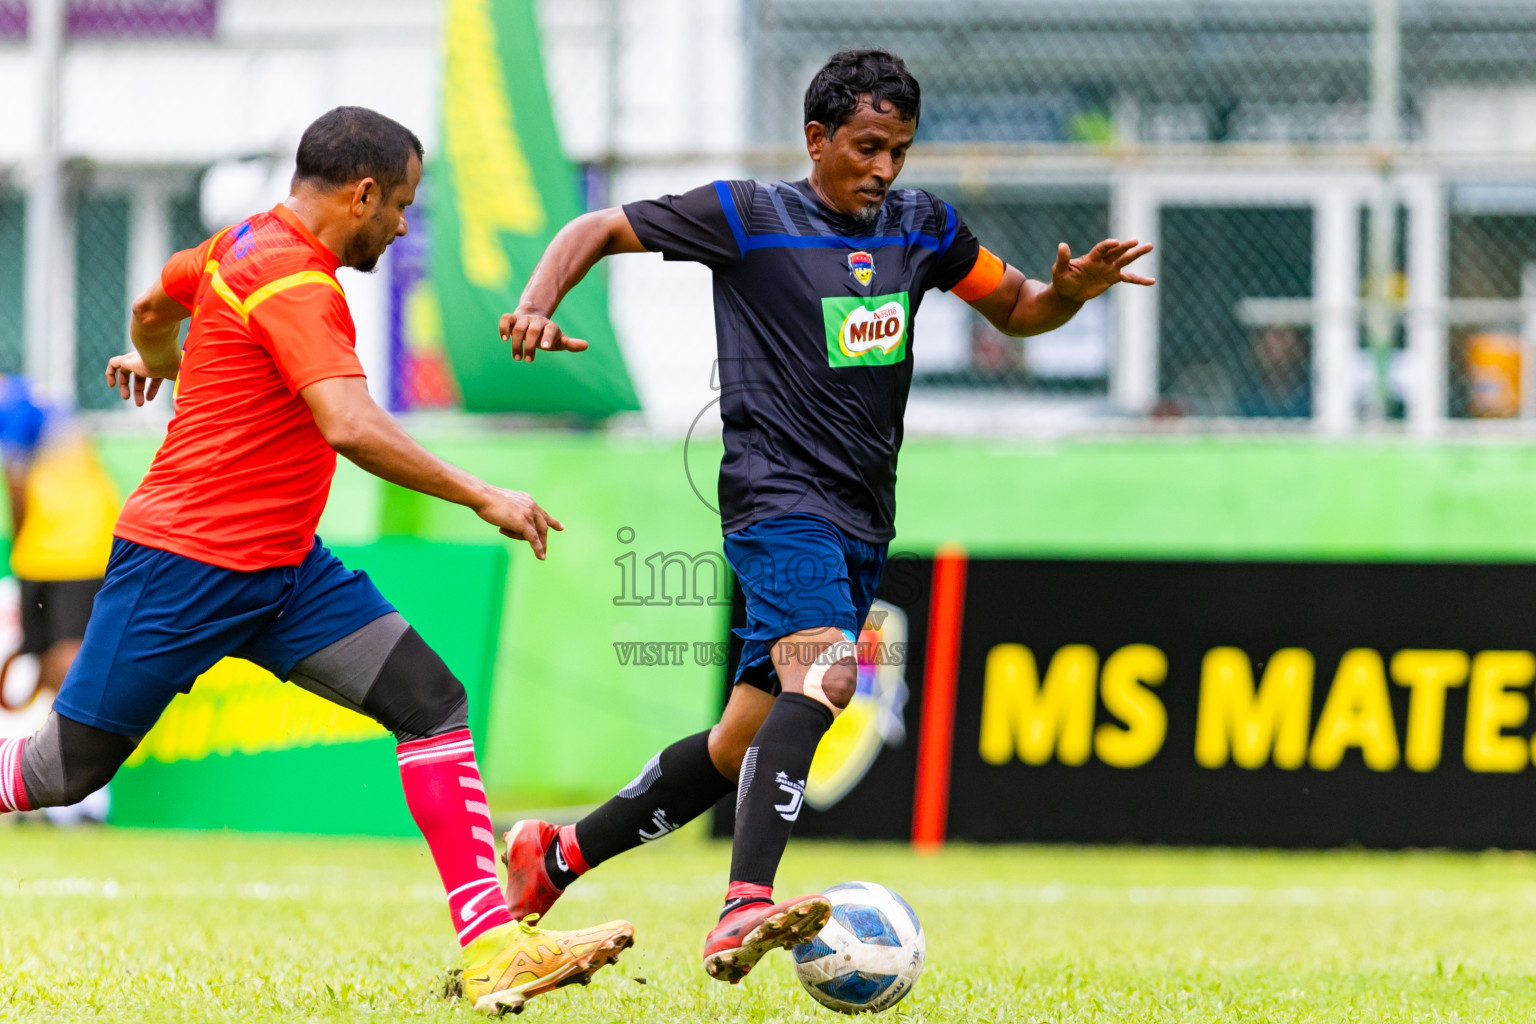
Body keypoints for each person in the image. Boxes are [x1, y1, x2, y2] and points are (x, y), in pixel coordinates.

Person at [492, 49, 1154, 983]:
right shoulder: (747, 217)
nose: (885, 170)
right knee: (829, 670)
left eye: (901, 150)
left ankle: (553, 858)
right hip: (774, 498)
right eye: (869, 146)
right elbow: (598, 226)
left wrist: (1069, 297)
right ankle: (743, 904)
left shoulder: (923, 226)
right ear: (818, 138)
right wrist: (534, 299)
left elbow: (1014, 305)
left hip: (859, 517)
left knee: (736, 743)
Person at [0, 106, 633, 1016]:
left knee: (431, 702)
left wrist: (161, 360)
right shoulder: (293, 280)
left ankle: (495, 948)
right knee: (64, 771)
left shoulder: (236, 244)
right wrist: (483, 494)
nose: (405, 225)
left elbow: (150, 306)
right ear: (363, 193)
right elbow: (350, 424)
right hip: (182, 566)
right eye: (404, 205)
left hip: (285, 572)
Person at [0, 377, 121, 822]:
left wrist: (17, 537)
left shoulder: (11, 404)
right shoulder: (30, 401)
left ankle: (83, 795)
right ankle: (58, 788)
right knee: (55, 665)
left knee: (69, 663)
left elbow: (15, 479)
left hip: (70, 550)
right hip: (58, 549)